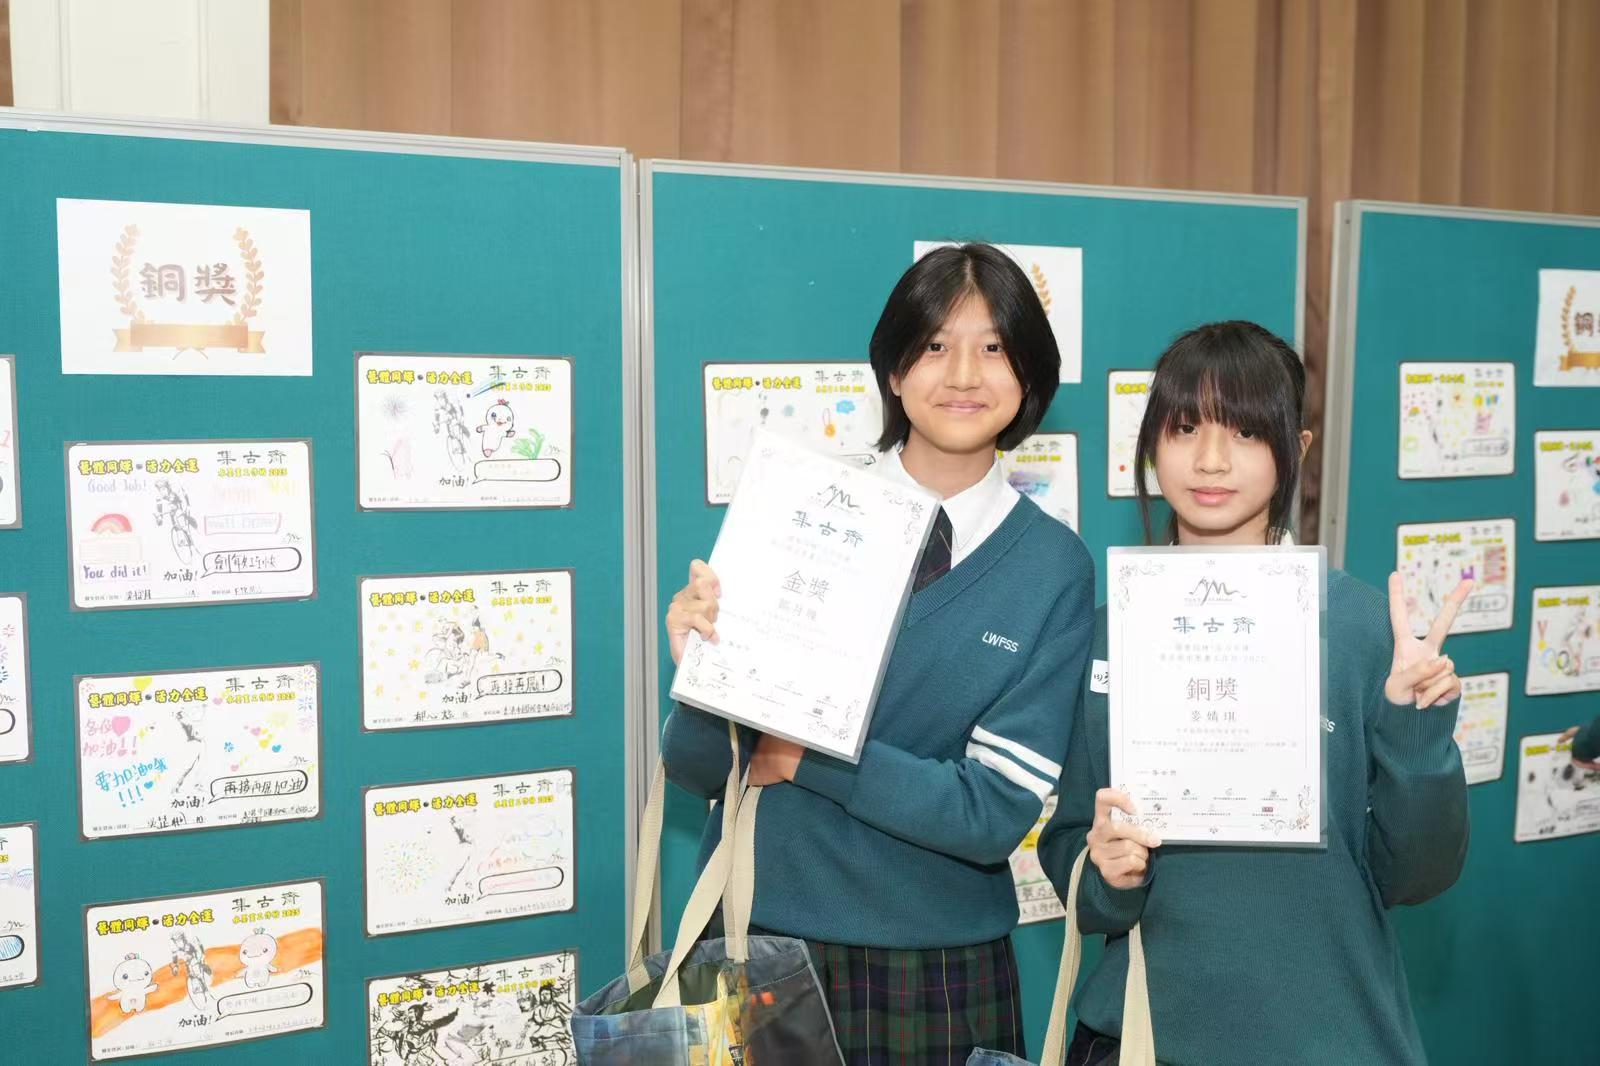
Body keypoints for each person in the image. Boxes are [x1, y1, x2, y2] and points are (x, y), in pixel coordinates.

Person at [661, 243, 1094, 1063]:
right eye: (934, 345)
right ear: (894, 370)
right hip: (756, 935)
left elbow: (991, 813)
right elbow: (698, 766)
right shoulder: (803, 513)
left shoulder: (1052, 567)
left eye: (993, 347)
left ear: (1029, 375)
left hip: (938, 967)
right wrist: (699, 671)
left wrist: (803, 756)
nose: (962, 374)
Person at [1038, 320, 1472, 1066]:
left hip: (1327, 1039)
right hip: (1142, 1037)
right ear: (1151, 445)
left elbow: (1420, 874)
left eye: (1244, 432)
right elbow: (1072, 856)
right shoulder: (1110, 634)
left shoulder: (1363, 628)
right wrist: (1107, 873)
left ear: (1295, 448)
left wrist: (1417, 729)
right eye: (1184, 428)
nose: (1211, 460)